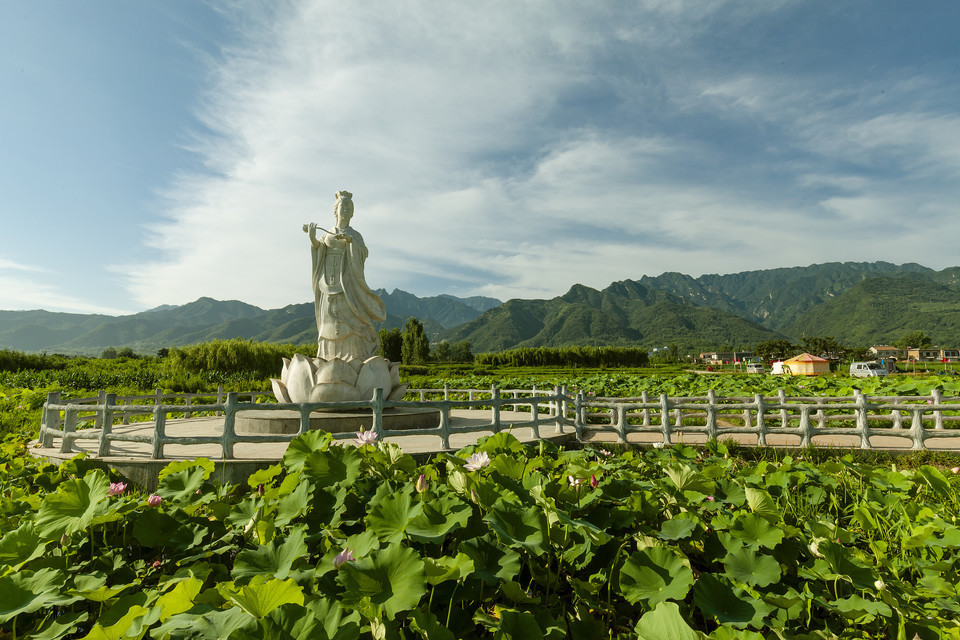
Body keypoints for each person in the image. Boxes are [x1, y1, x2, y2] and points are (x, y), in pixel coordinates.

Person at [307, 191, 386, 361]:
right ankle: (327, 358)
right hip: (327, 284)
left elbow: (363, 253)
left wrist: (351, 242)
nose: (345, 210)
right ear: (335, 210)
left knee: (351, 320)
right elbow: (319, 249)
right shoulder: (326, 234)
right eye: (343, 206)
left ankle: (355, 358)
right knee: (328, 321)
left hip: (347, 286)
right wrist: (313, 239)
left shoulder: (356, 235)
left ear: (352, 212)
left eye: (349, 207)